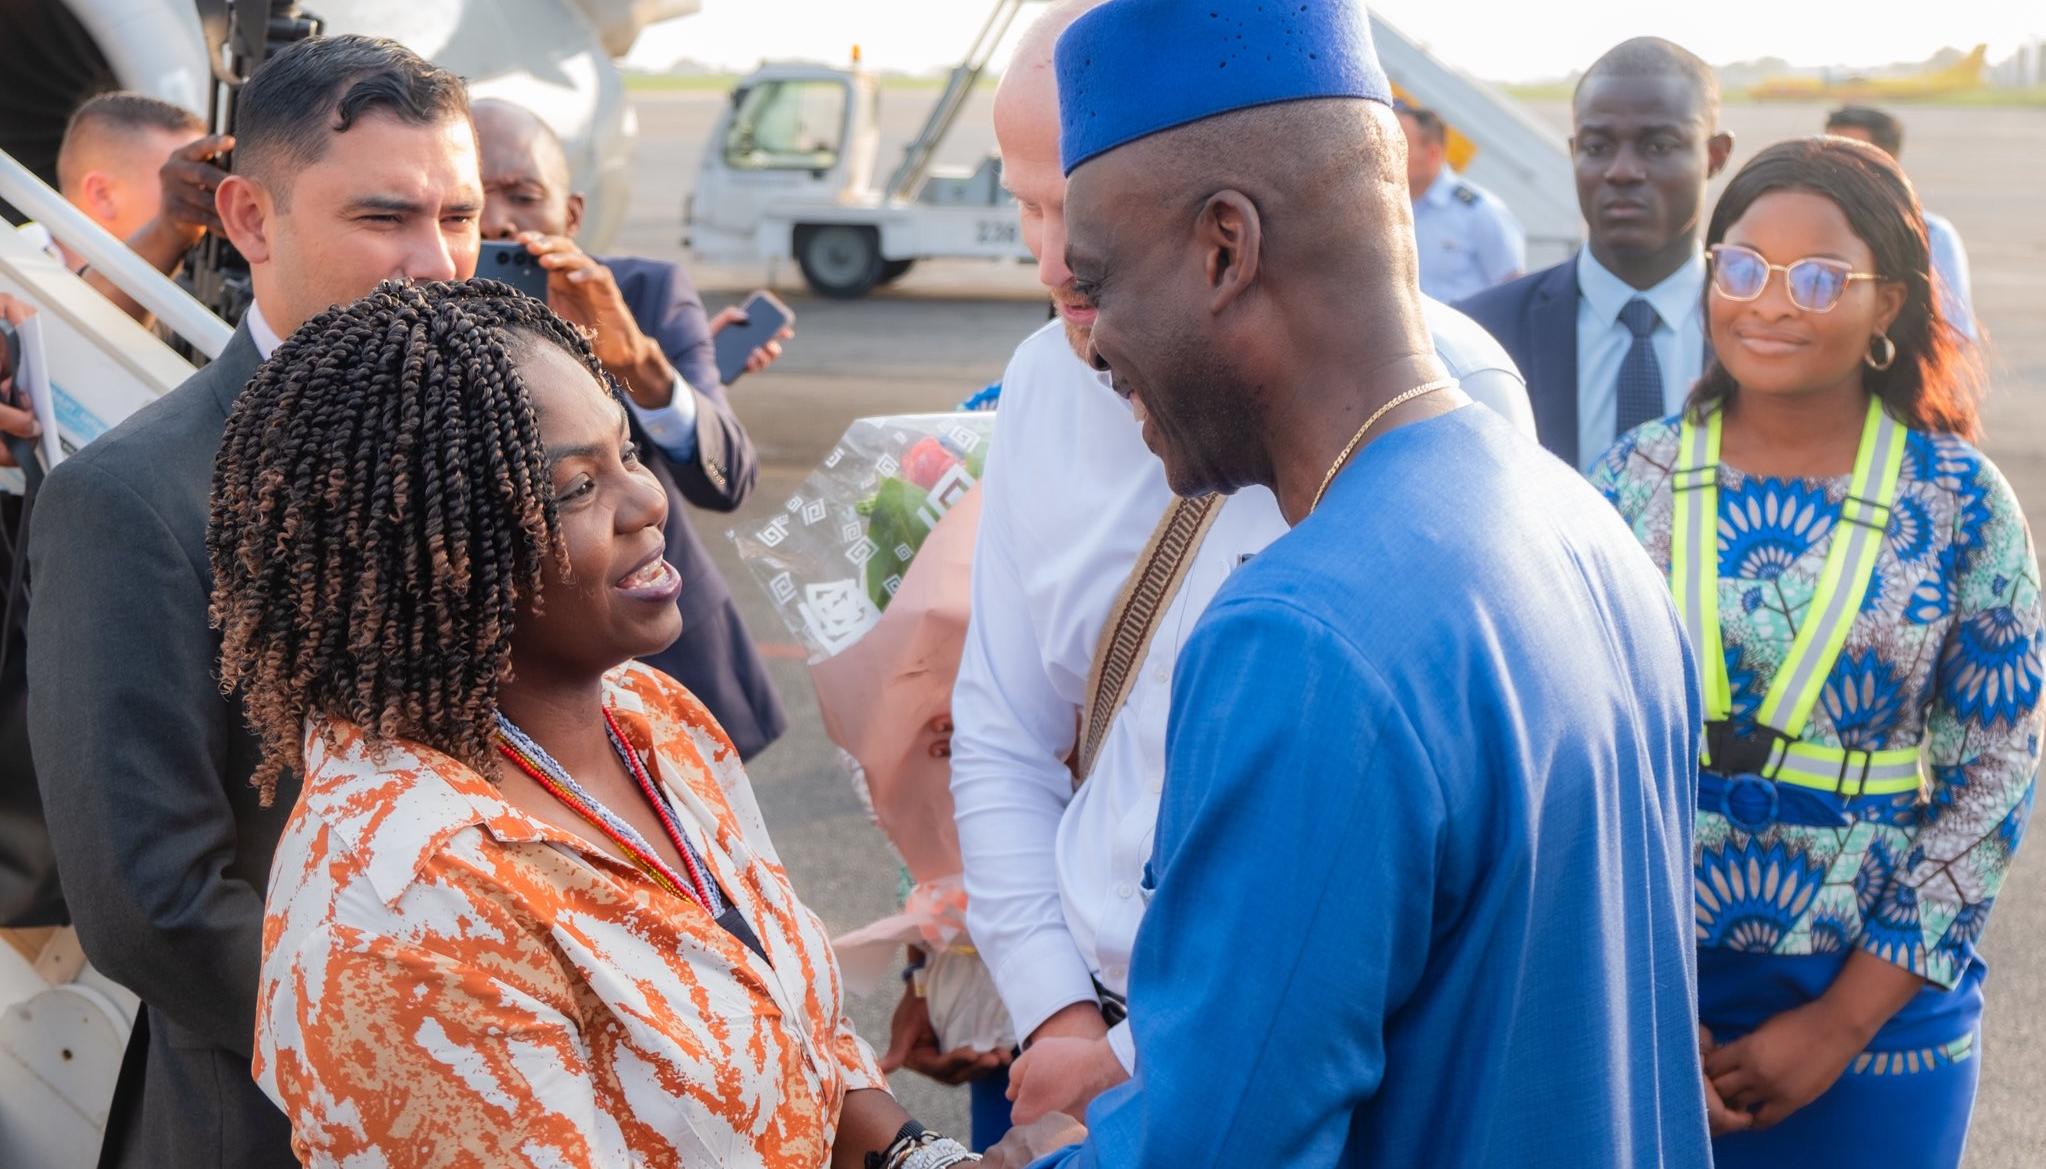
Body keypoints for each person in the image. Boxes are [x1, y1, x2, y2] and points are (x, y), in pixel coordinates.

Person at [980, 1, 1710, 1165]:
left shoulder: (1304, 638)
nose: (1094, 335)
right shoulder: (1585, 528)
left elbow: (1220, 1147)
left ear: (1226, 247)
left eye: (1102, 278)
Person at [212, 279, 968, 1169]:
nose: (647, 500)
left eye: (627, 452)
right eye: (577, 487)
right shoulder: (406, 898)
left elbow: (796, 1033)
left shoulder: (654, 719)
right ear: (440, 553)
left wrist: (923, 1156)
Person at [25, 36, 486, 1168]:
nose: (436, 263)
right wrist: (441, 1046)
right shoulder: (132, 500)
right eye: (385, 218)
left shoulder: (499, 435)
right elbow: (153, 903)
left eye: (462, 217)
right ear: (250, 218)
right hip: (283, 1118)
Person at [1591, 137, 2041, 1169]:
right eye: (1741, 268)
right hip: (1651, 985)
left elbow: (1991, 779)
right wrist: (1638, 990)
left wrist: (1838, 1022)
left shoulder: (1961, 500)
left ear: (1890, 303)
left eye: (1820, 277)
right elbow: (1574, 746)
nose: (1772, 303)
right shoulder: (1628, 477)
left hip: (1876, 999)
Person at [471, 97, 790, 761]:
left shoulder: (644, 293)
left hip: (668, 665)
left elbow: (727, 476)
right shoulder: (420, 313)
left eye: (524, 195)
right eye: (472, 200)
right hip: (497, 691)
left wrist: (640, 361)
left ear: (573, 212)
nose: (499, 220)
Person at [1459, 37, 1735, 471]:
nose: (1621, 171)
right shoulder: (1481, 335)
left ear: (1715, 156)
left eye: (1659, 146)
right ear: (1573, 153)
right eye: (1597, 147)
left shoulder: (1762, 332)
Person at [19, 91, 232, 325]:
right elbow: (77, 335)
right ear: (103, 196)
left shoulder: (201, 289)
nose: (203, 192)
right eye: (177, 178)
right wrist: (168, 231)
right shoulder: (11, 275)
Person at [1823, 105, 1976, 340]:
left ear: (1888, 161)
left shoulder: (1930, 235)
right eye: (1828, 152)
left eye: (1849, 155)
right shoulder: (1803, 228)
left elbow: (1952, 334)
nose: (1834, 166)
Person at [1395, 98, 1524, 303]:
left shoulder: (1479, 211)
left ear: (1433, 153)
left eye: (1399, 145)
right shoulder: (1388, 210)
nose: (1389, 154)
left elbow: (1512, 289)